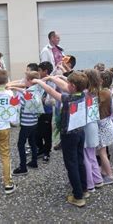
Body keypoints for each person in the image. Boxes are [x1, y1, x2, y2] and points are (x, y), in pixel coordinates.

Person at [33, 72, 89, 207]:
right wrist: (52, 78)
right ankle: (84, 188)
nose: (66, 85)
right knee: (80, 161)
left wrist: (40, 82)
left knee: (72, 164)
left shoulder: (68, 99)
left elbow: (52, 91)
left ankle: (78, 196)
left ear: (73, 86)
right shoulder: (82, 93)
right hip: (80, 132)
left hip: (69, 135)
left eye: (69, 84)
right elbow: (65, 86)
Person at [12, 71, 42, 175]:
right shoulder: (37, 91)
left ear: (29, 81)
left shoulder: (24, 95)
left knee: (21, 144)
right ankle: (34, 161)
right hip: (34, 122)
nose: (24, 80)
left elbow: (17, 106)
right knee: (32, 142)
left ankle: (23, 167)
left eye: (25, 79)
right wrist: (16, 88)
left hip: (26, 124)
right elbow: (25, 91)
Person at [83, 69, 104, 192]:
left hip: (86, 126)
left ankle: (89, 184)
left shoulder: (85, 93)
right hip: (94, 125)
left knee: (85, 155)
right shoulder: (97, 92)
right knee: (91, 155)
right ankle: (98, 179)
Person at [97, 69, 113, 185]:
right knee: (102, 151)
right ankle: (104, 171)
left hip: (103, 126)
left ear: (102, 80)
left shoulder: (103, 92)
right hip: (106, 124)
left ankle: (109, 176)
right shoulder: (107, 91)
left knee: (102, 152)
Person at [36, 61, 54, 163]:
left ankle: (47, 152)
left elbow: (51, 98)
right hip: (38, 111)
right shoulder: (39, 80)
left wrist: (45, 100)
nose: (38, 72)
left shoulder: (51, 82)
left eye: (39, 70)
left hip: (47, 111)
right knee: (37, 132)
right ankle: (41, 149)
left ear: (45, 71)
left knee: (47, 133)